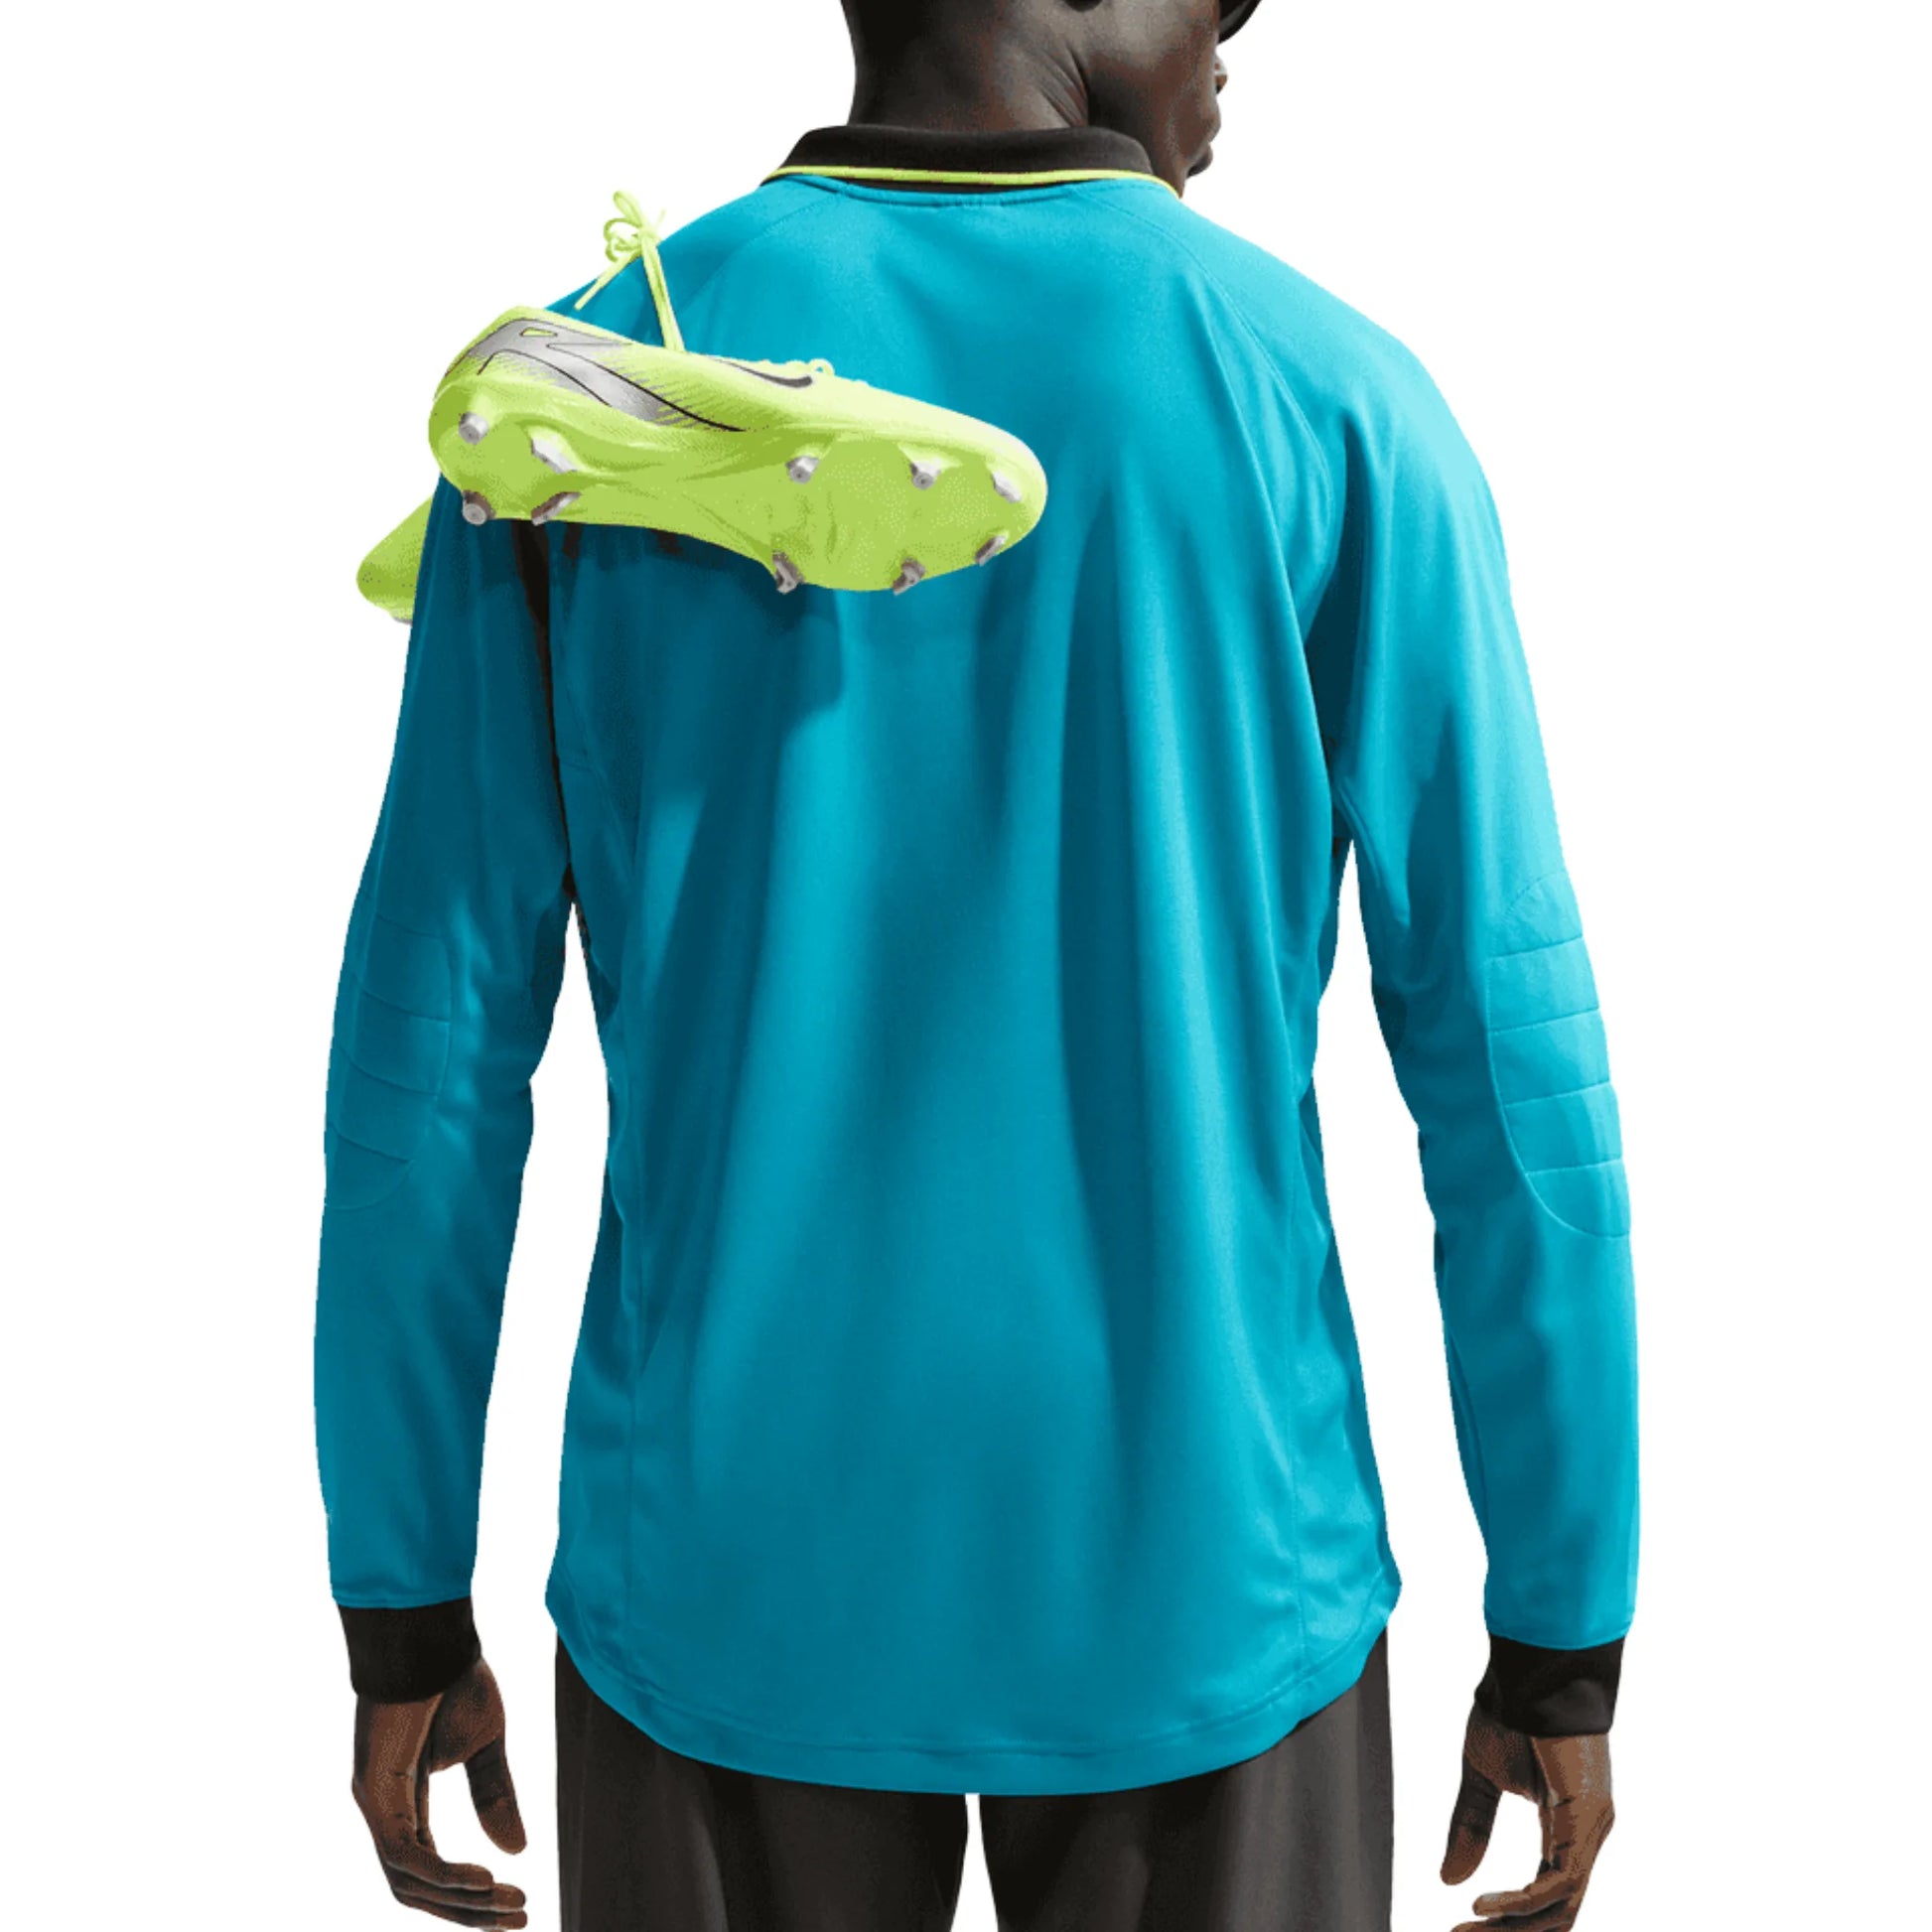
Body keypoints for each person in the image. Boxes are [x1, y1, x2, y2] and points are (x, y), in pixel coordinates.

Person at [314, 2, 1639, 1927]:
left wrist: (401, 1592)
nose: (1230, 39)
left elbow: (429, 1052)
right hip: (1209, 1575)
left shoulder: (575, 407)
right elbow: (1510, 1063)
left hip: (725, 1571)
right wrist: (1560, 1625)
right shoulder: (1338, 400)